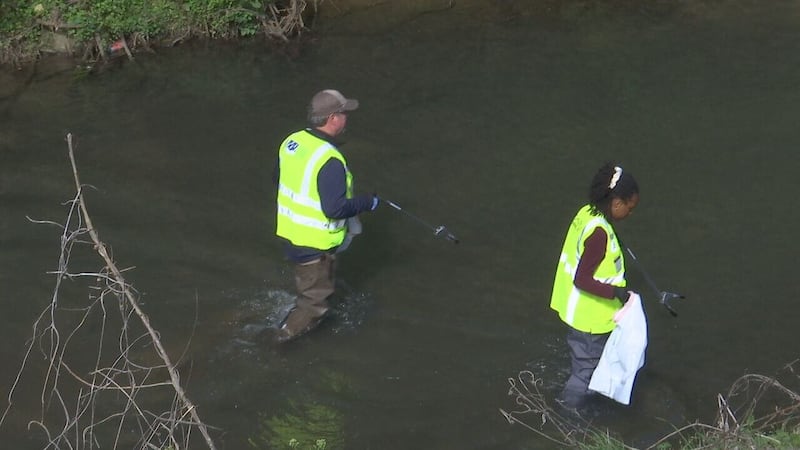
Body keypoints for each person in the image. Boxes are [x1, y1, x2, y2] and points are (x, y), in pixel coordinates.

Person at [273, 89, 379, 343]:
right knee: (314, 306)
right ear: (333, 118)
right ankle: (279, 341)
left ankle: (289, 322)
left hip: (291, 233)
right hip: (314, 244)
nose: (346, 118)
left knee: (309, 291)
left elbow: (278, 180)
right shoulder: (330, 159)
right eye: (344, 113)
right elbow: (334, 209)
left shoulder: (293, 141)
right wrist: (367, 202)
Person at [549, 162, 640, 409]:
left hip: (580, 314)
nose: (630, 213)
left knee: (585, 363)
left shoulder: (587, 213)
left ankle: (578, 403)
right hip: (589, 319)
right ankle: (567, 415)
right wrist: (616, 292)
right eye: (629, 208)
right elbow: (582, 279)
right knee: (585, 372)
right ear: (616, 203)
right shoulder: (599, 234)